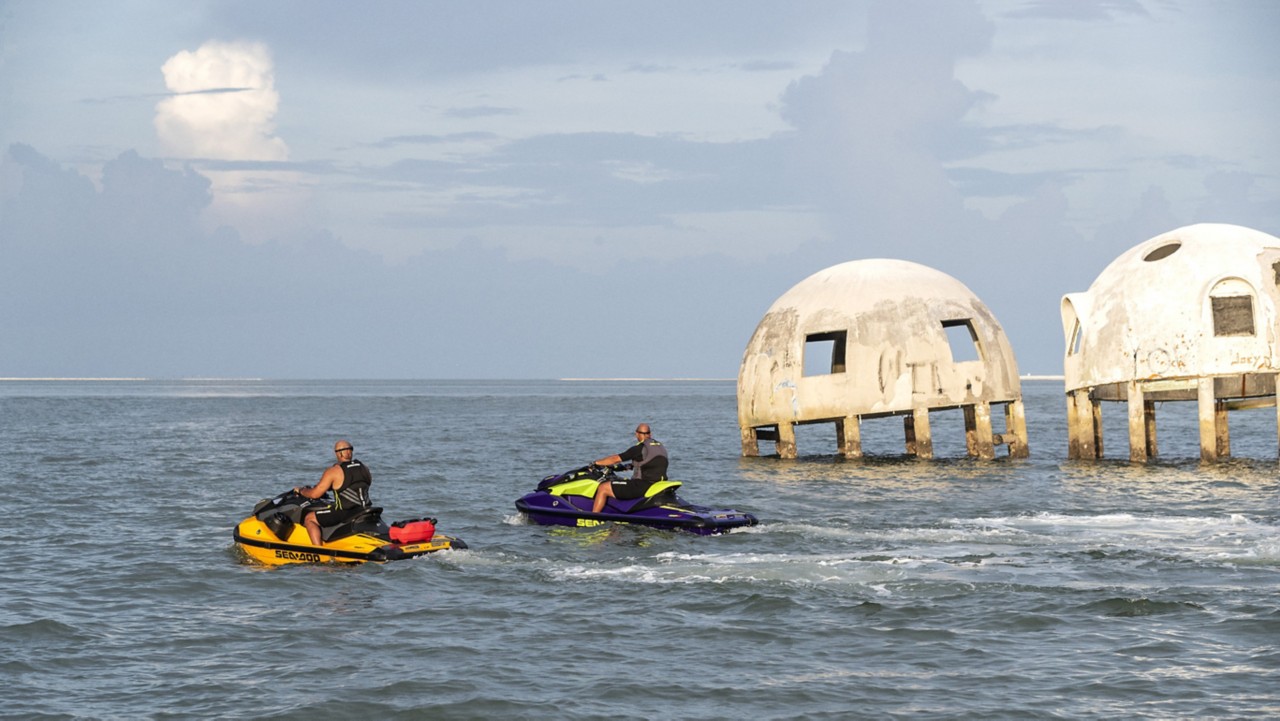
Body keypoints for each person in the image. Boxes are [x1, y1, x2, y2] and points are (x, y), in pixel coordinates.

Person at [292, 440, 373, 546]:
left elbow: (314, 494)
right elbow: (359, 484)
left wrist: (301, 490)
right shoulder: (364, 468)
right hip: (364, 508)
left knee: (309, 518)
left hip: (345, 512)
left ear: (339, 453)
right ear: (350, 452)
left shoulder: (334, 471)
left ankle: (318, 551)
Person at [590, 423, 669, 513]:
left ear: (637, 434)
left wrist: (596, 463)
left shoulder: (640, 448)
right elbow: (650, 463)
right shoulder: (660, 447)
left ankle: (593, 517)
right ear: (650, 434)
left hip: (642, 485)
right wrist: (627, 467)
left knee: (603, 487)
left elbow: (615, 459)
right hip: (658, 484)